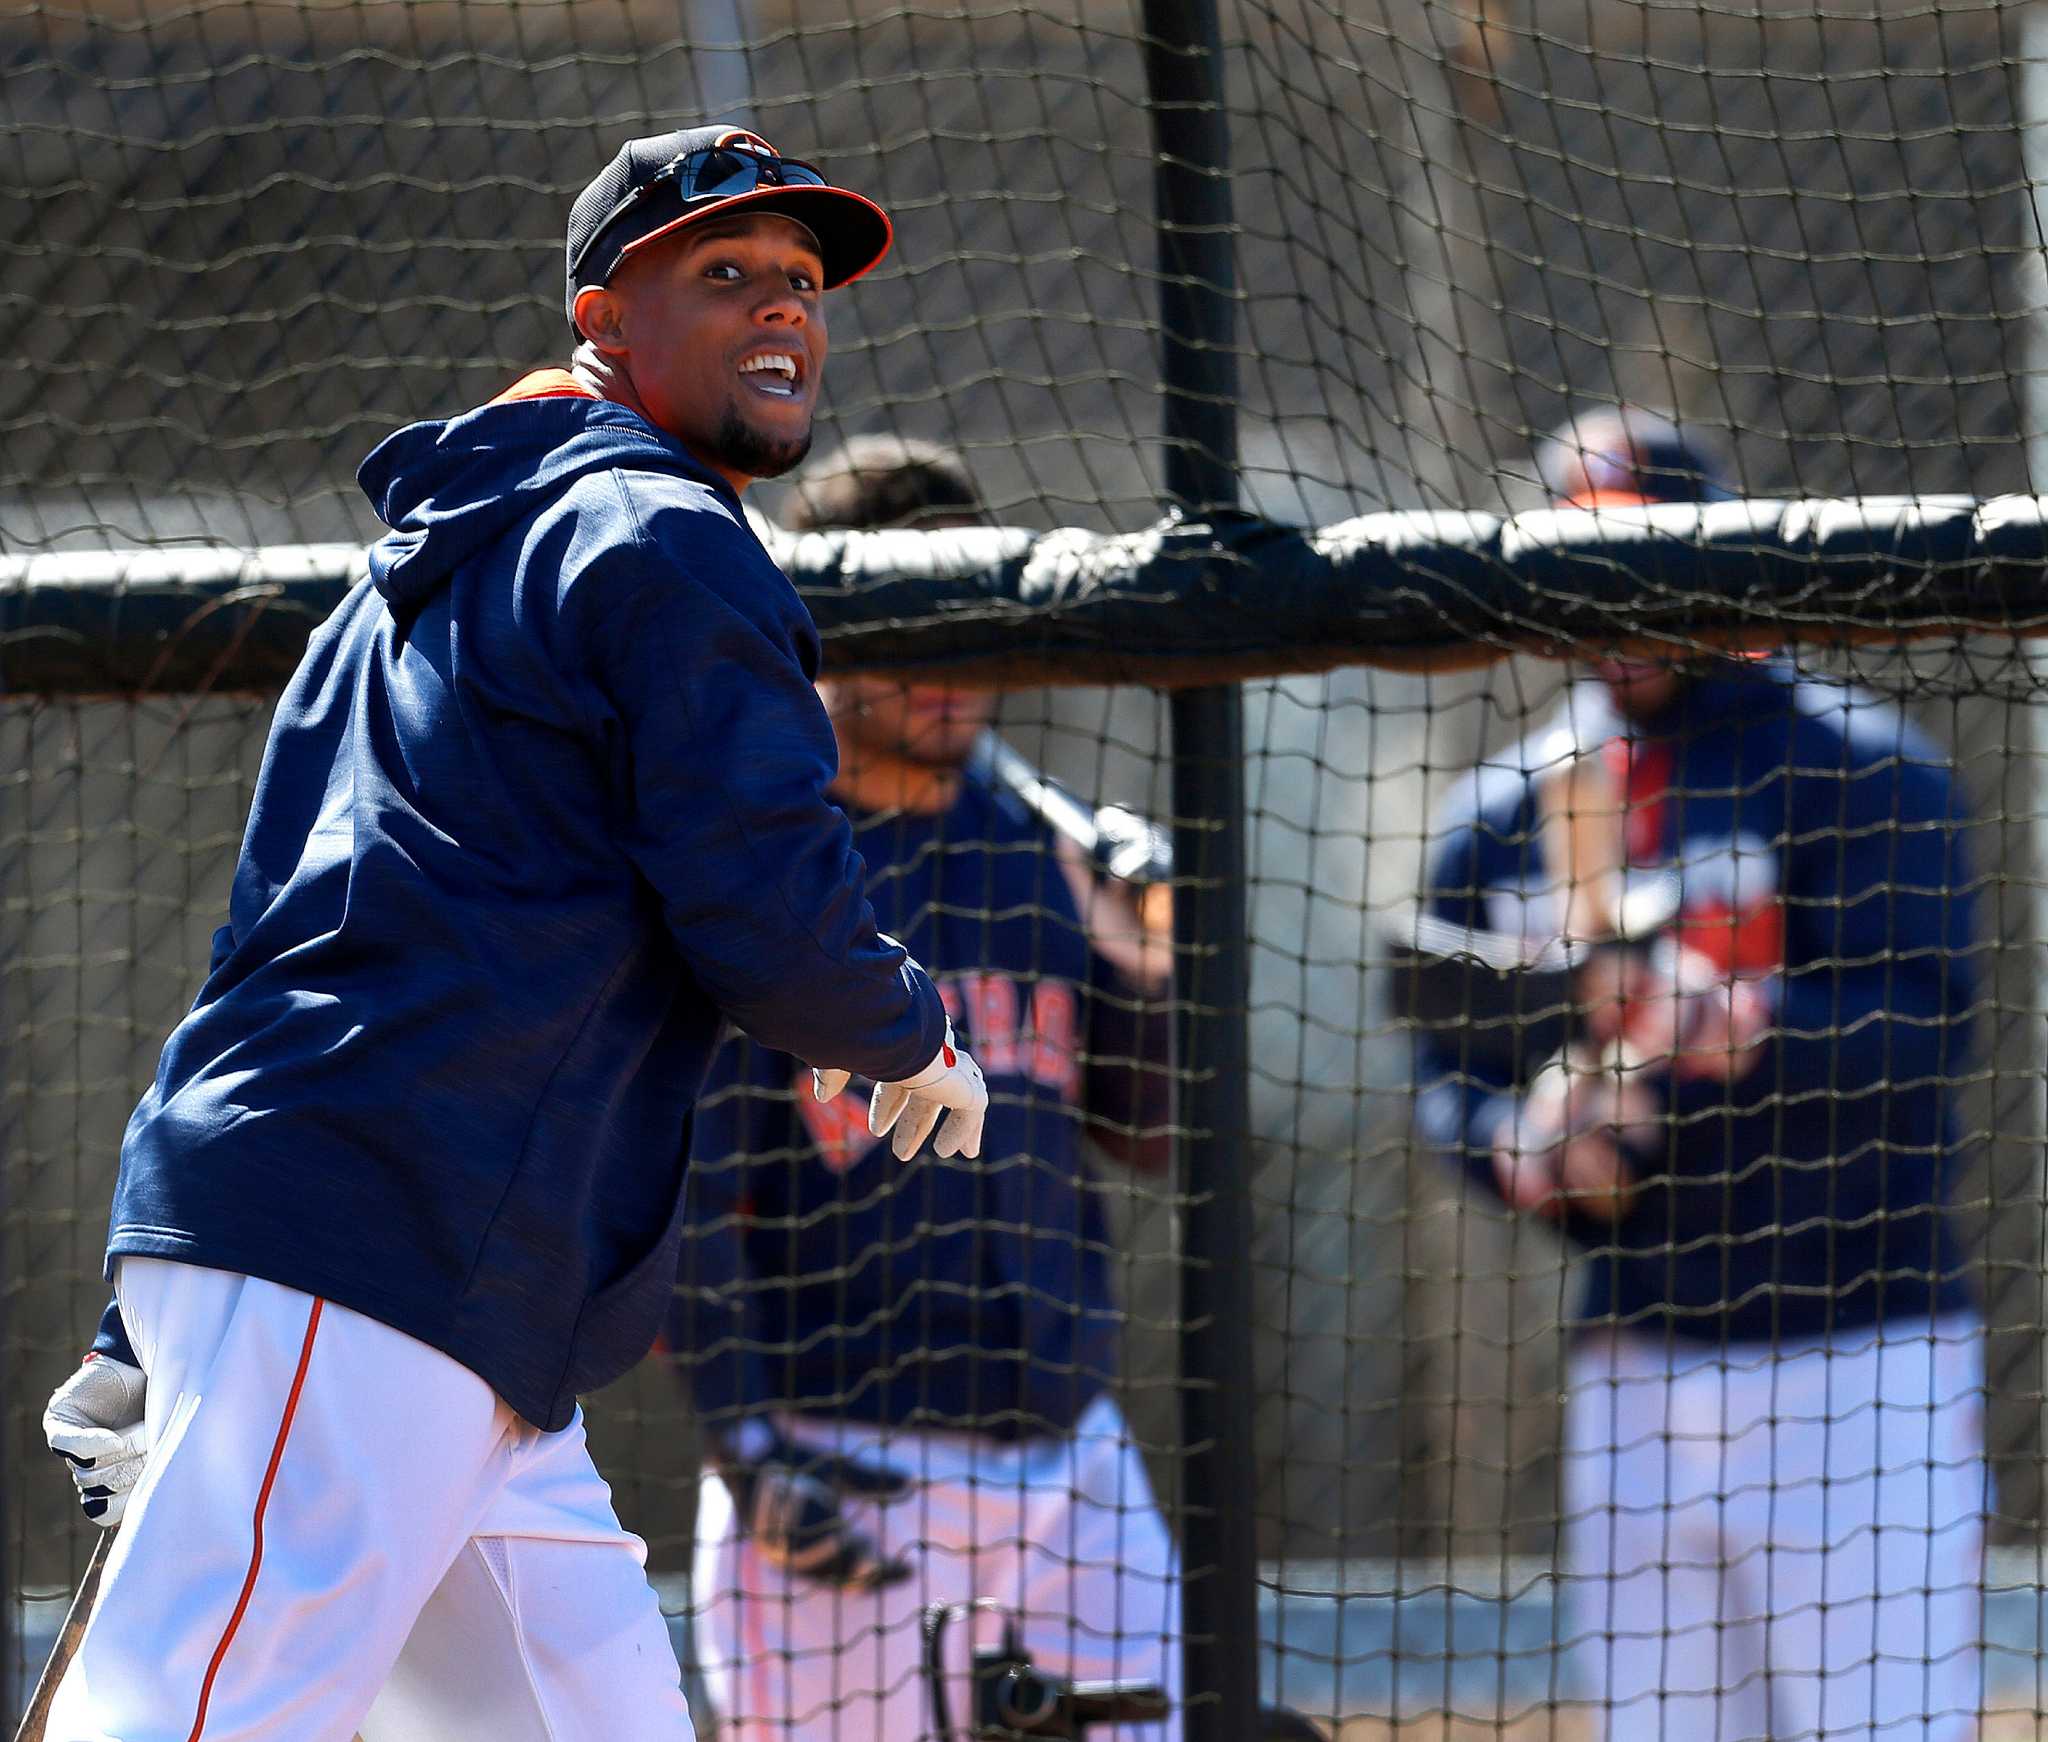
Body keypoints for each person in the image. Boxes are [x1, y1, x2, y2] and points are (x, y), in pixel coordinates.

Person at [36, 127, 990, 1741]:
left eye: (803, 282)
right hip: (373, 1251)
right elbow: (762, 902)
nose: (784, 310)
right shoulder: (673, 535)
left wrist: (156, 1304)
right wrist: (904, 1026)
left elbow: (270, 915)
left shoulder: (416, 565)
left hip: (427, 1290)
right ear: (604, 321)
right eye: (726, 272)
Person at [1415, 408, 1987, 1742]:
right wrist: (1522, 1142)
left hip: (1856, 1352)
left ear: (1707, 555)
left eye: (1635, 558)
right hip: (1636, 1358)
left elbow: (1926, 1035)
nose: (1605, 601)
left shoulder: (1859, 767)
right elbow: (1445, 1065)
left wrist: (1741, 1025)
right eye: (1575, 563)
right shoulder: (1512, 805)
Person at [669, 434, 1184, 1741]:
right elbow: (679, 1193)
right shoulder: (768, 870)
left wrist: (1152, 955)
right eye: (914, 636)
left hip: (1071, 1444)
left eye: (971, 634)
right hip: (848, 1453)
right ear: (824, 642)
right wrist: (751, 1448)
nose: (954, 676)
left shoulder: (1038, 851)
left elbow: (1148, 1127)